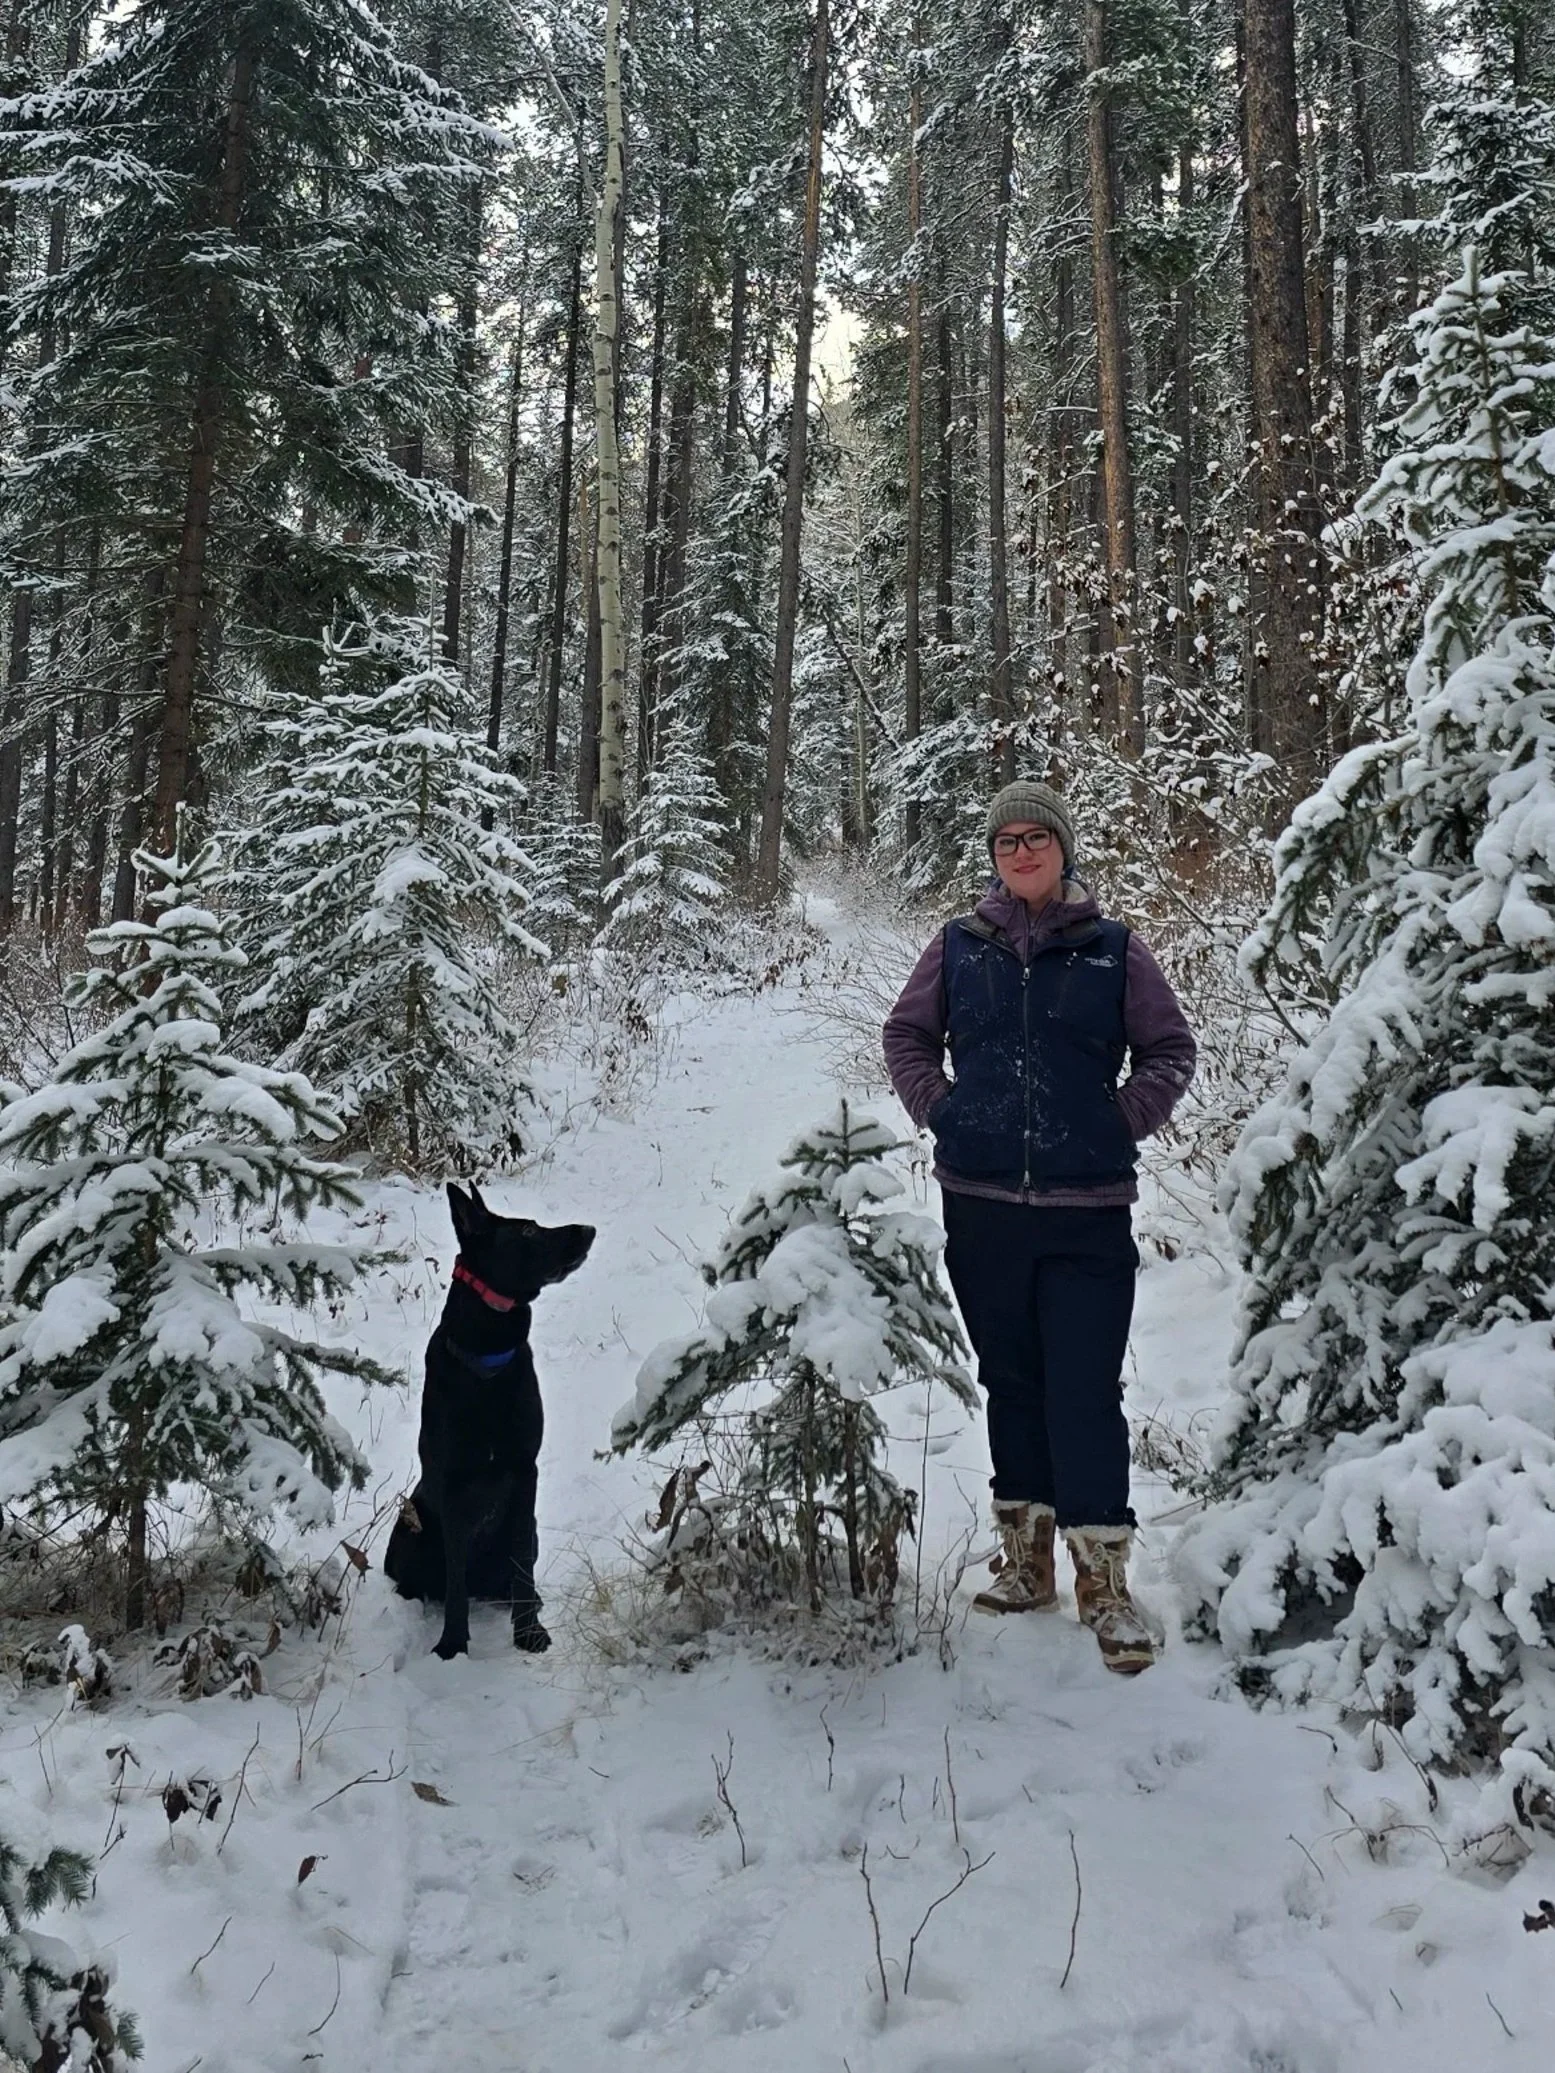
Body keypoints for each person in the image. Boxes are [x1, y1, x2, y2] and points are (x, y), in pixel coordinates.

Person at [883, 779, 1196, 1675]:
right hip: (978, 1202)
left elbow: (1169, 1049)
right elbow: (905, 1036)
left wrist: (1119, 1120)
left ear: (1063, 849)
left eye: (1036, 837)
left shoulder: (1112, 951)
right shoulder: (957, 948)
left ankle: (1104, 1583)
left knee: (1084, 1388)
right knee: (1012, 1379)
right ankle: (1026, 1562)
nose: (1021, 851)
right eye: (1005, 839)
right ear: (992, 856)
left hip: (1088, 1207)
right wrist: (944, 1111)